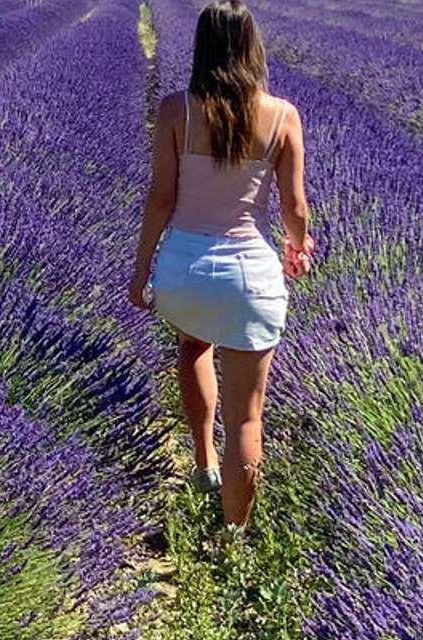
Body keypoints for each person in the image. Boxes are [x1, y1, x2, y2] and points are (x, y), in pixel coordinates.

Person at [128, 0, 313, 544]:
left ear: (202, 47)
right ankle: (233, 537)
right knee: (248, 420)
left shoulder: (174, 111)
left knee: (193, 346)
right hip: (250, 277)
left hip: (184, 272)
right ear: (252, 47)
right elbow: (294, 207)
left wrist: (141, 273)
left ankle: (204, 459)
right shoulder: (282, 115)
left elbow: (160, 200)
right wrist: (296, 249)